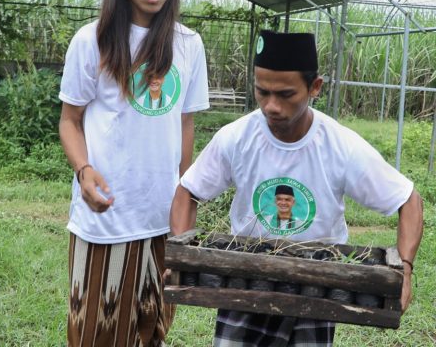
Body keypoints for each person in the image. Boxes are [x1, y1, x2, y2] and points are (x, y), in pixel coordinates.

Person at [169, 30, 423, 346]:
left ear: (314, 87)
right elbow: (187, 191)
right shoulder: (237, 138)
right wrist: (178, 256)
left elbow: (408, 201)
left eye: (286, 94)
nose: (271, 106)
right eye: (262, 92)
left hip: (316, 287)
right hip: (244, 280)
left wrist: (406, 271)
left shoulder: (339, 147)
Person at [59, 0, 209, 346]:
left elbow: (184, 123)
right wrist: (84, 170)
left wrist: (184, 198)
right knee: (96, 333)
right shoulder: (93, 40)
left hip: (162, 217)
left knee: (153, 331)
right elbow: (70, 121)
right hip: (107, 215)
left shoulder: (188, 44)